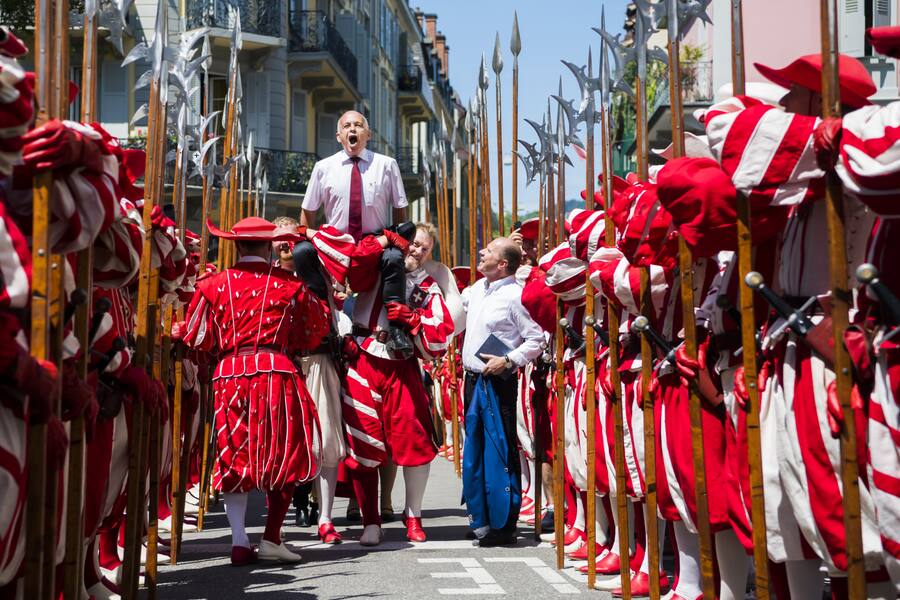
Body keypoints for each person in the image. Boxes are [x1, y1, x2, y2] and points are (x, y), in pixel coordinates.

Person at [177, 216, 329, 565]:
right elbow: (314, 331)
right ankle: (272, 537)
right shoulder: (290, 285)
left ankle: (239, 540)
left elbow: (197, 335)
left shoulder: (212, 285)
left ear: (236, 245)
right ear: (268, 246)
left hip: (229, 373)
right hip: (277, 371)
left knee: (234, 454)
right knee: (284, 454)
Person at [341, 222, 455, 546]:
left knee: (415, 441)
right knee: (362, 441)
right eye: (414, 244)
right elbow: (354, 261)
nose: (417, 251)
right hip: (363, 360)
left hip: (402, 366)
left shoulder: (428, 288)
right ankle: (370, 521)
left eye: (425, 248)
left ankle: (413, 516)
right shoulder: (375, 270)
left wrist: (412, 318)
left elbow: (439, 335)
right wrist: (383, 239)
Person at [297, 110, 416, 357]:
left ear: (368, 134)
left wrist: (397, 242)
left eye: (359, 125)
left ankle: (396, 329)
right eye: (347, 126)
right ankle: (322, 322)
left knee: (394, 258)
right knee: (302, 251)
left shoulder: (386, 164)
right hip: (335, 244)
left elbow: (400, 211)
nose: (353, 129)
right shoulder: (323, 167)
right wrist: (310, 236)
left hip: (374, 241)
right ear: (339, 135)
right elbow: (307, 213)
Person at [461, 237, 544, 547]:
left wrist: (508, 359)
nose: (481, 252)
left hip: (498, 381)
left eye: (489, 251)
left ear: (503, 264)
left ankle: (504, 524)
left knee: (499, 452)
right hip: (471, 380)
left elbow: (536, 339)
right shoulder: (477, 290)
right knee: (475, 453)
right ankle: (481, 518)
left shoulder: (514, 296)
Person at [272, 215, 347, 543]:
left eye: (291, 238)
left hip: (317, 361)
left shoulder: (313, 268)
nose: (286, 245)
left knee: (326, 438)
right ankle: (288, 513)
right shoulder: (267, 277)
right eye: (279, 239)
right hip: (281, 364)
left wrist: (305, 238)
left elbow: (324, 251)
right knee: (286, 443)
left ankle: (326, 516)